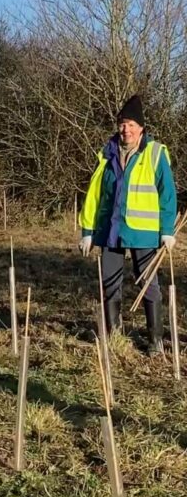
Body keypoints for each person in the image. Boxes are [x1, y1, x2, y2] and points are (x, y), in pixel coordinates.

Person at [79, 95, 177, 355]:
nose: (126, 129)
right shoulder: (107, 153)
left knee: (148, 285)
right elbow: (94, 194)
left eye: (132, 124)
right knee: (109, 284)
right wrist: (87, 231)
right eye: (123, 124)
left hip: (144, 233)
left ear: (141, 128)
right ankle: (114, 338)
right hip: (111, 231)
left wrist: (167, 231)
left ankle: (155, 341)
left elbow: (167, 194)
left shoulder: (155, 154)